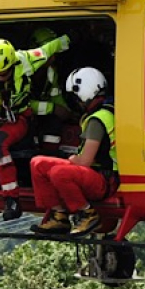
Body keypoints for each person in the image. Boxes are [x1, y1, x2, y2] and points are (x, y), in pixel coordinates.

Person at [0, 34, 71, 236]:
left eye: (5, 73)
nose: (1, 77)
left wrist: (67, 40)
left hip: (18, 116)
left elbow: (47, 50)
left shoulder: (25, 60)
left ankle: (12, 200)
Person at [29, 67, 118, 237]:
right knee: (37, 163)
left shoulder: (98, 120)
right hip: (92, 174)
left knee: (59, 172)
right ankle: (59, 216)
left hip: (104, 180)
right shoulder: (97, 114)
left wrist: (70, 158)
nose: (76, 103)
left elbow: (85, 161)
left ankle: (87, 213)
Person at [27, 27, 75, 151]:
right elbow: (19, 105)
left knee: (54, 123)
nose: (53, 58)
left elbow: (56, 96)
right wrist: (52, 108)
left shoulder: (50, 71)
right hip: (21, 119)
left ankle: (49, 155)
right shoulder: (21, 73)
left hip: (40, 116)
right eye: (49, 54)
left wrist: (68, 112)